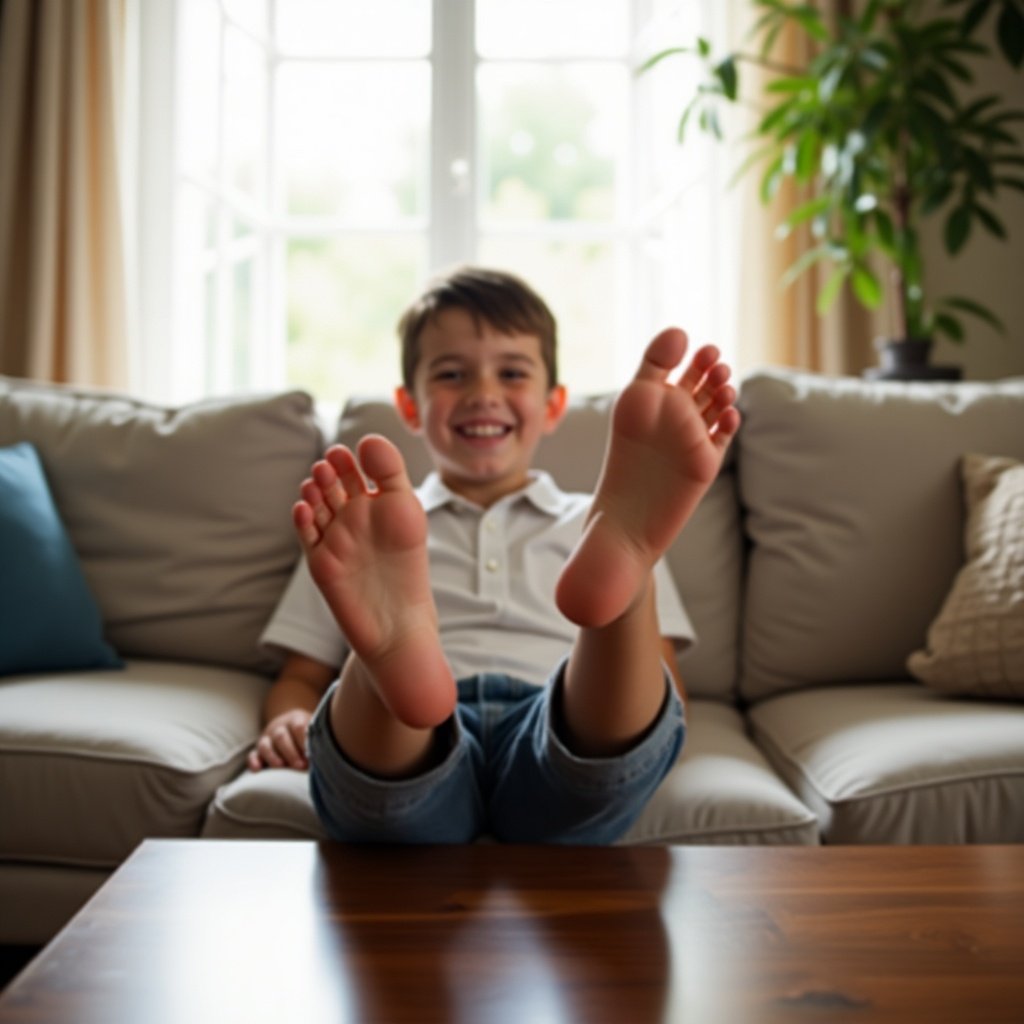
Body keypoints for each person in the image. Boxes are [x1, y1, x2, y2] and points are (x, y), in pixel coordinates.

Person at [250, 266, 740, 843]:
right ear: (410, 405)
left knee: (598, 735)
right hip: (421, 733)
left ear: (554, 404)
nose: (483, 393)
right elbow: (300, 676)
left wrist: (623, 557)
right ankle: (387, 660)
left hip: (560, 710)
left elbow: (666, 687)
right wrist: (290, 718)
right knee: (398, 748)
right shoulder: (366, 530)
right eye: (452, 374)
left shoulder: (588, 518)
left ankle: (623, 593)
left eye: (511, 372)